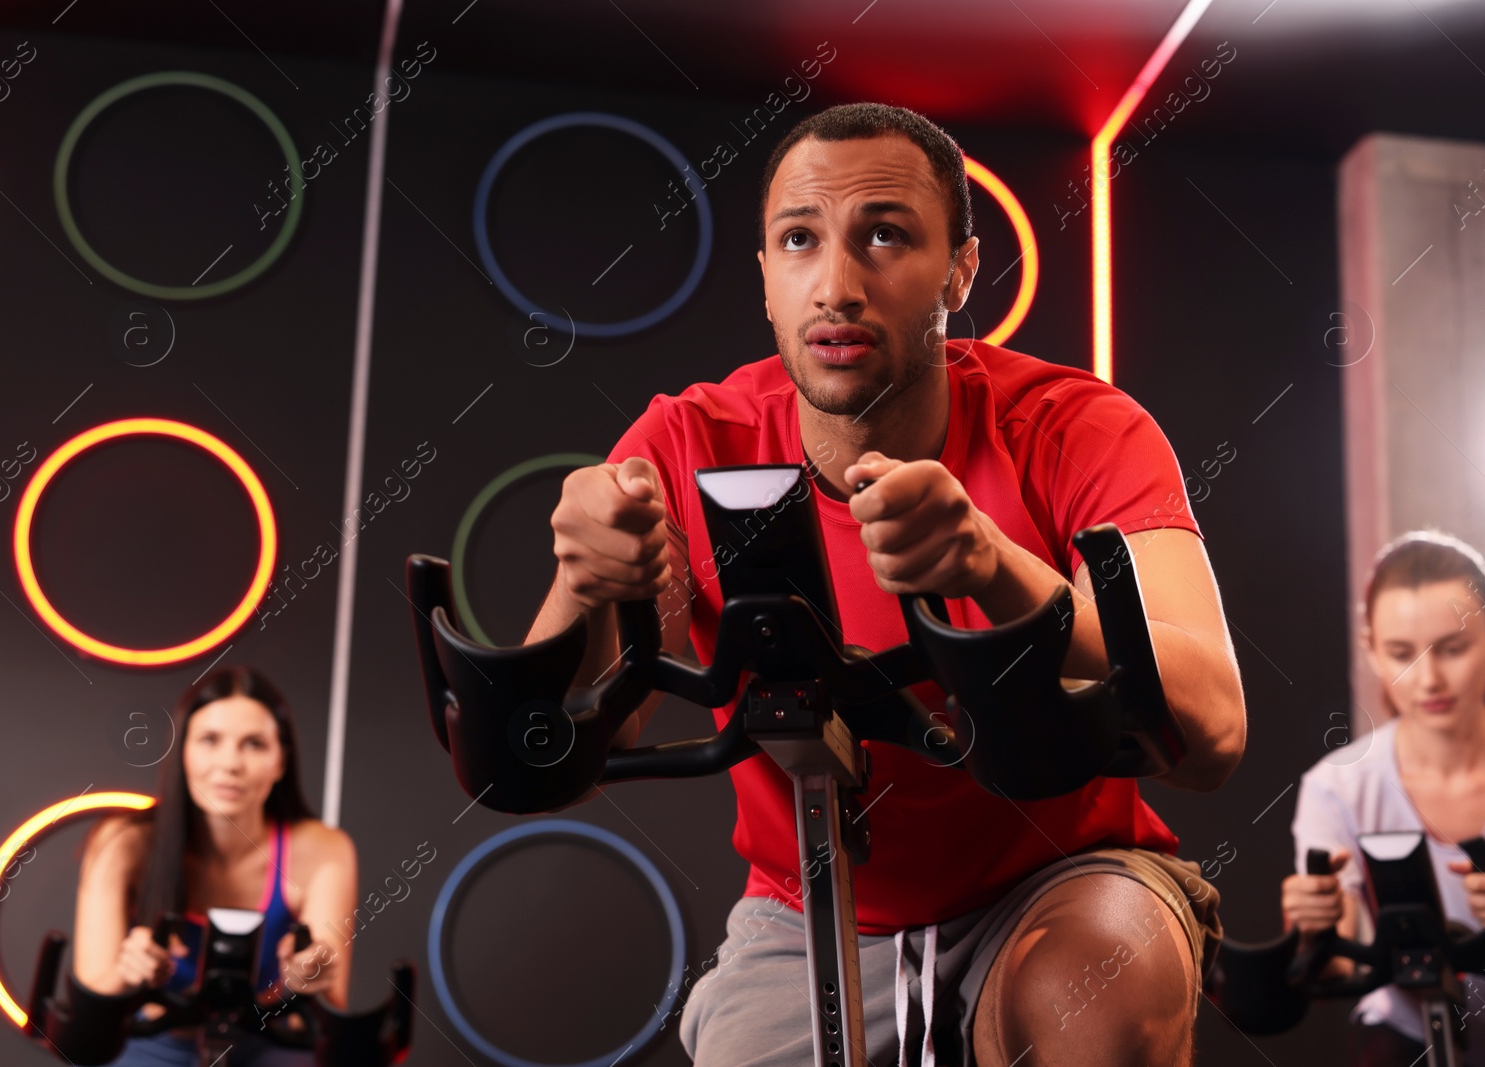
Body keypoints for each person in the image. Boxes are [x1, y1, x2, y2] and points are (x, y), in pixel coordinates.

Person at [529, 103, 1247, 1066]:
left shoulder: (1075, 428)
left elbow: (1211, 732)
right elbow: (552, 755)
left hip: (1059, 876)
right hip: (807, 903)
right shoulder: (685, 446)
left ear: (961, 269)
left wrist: (995, 567)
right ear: (767, 283)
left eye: (885, 235)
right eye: (799, 241)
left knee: (1094, 1002)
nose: (837, 285)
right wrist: (583, 583)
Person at [1285, 531, 1485, 1065]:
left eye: (1453, 648)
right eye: (1402, 653)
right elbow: (1340, 970)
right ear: (1372, 651)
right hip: (1404, 1041)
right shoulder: (1336, 786)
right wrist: (1312, 928)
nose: (1428, 679)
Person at [72, 666, 358, 1066]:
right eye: (209, 740)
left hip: (269, 1046)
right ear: (182, 752)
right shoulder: (122, 843)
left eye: (254, 744)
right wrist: (129, 971)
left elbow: (332, 1003)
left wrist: (307, 978)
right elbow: (91, 1014)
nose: (229, 763)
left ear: (281, 762)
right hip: (153, 1045)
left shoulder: (323, 849)